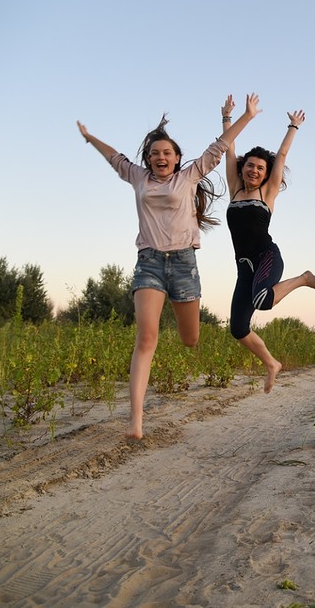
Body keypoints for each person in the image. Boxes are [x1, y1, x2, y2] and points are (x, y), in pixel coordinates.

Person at [77, 94, 256, 438]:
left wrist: (244, 117)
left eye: (167, 153)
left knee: (190, 340)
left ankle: (181, 338)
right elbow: (113, 156)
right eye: (155, 153)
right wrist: (89, 137)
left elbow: (220, 147)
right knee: (146, 338)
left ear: (177, 160)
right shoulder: (137, 177)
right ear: (147, 159)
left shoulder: (188, 177)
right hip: (149, 264)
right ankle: (136, 422)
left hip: (185, 264)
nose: (161, 157)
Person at [224, 98, 315, 393]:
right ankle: (271, 363)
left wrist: (292, 126)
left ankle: (303, 278)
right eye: (250, 166)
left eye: (260, 168)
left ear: (267, 175)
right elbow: (228, 149)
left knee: (262, 300)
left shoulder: (267, 193)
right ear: (243, 169)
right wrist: (228, 118)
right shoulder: (235, 189)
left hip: (267, 255)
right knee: (238, 329)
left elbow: (280, 154)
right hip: (244, 266)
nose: (254, 170)